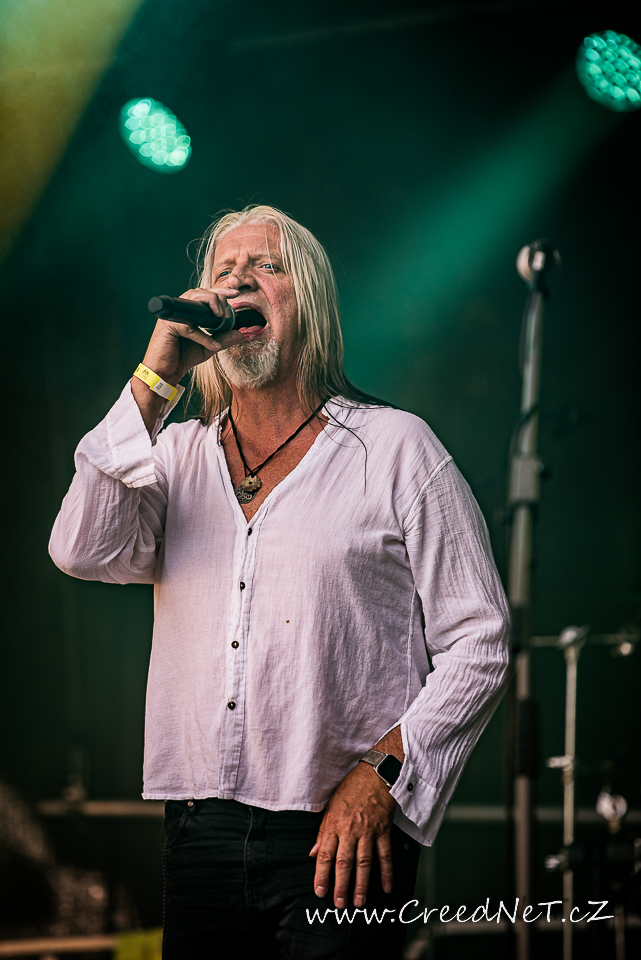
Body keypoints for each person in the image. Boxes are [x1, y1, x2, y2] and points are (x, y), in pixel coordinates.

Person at [50, 205, 510, 959]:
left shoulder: (394, 448)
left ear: (312, 304)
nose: (236, 284)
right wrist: (156, 378)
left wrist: (385, 774)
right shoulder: (174, 457)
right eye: (223, 273)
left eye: (264, 267)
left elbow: (480, 641)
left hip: (342, 832)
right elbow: (81, 547)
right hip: (199, 829)